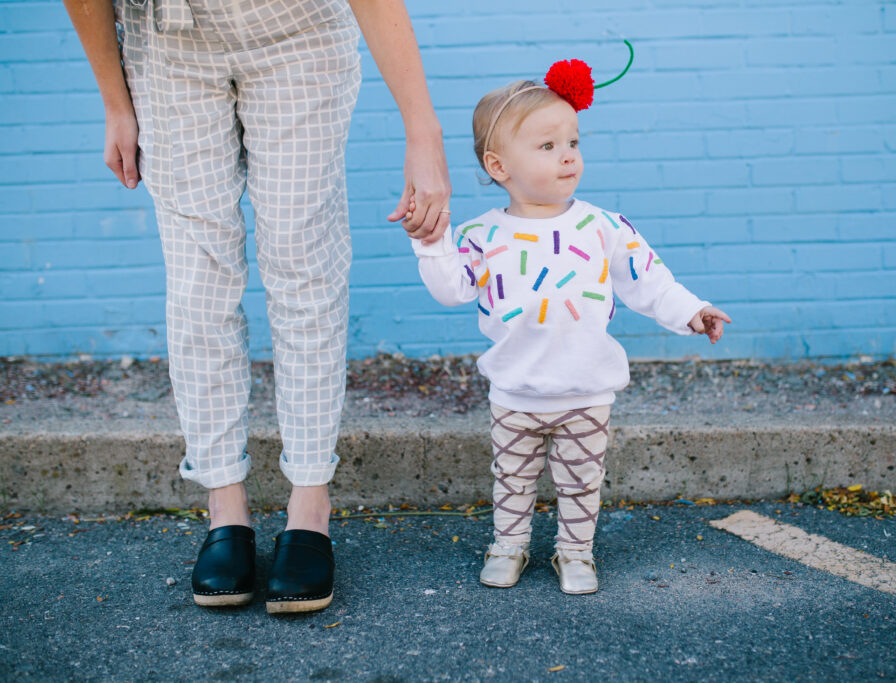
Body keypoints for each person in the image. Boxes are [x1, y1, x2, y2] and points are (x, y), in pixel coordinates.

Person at [62, 0, 451, 613]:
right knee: (197, 281)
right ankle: (226, 509)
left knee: (304, 265)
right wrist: (115, 100)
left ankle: (310, 508)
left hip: (295, 33)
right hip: (166, 43)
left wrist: (422, 131)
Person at [409, 68, 731, 594]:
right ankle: (509, 545)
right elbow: (451, 288)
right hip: (515, 390)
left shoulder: (603, 226)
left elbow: (649, 280)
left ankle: (575, 553)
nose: (568, 155)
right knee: (511, 478)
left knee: (581, 481)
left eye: (573, 142)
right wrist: (431, 241)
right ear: (498, 165)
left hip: (587, 389)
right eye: (548, 145)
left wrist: (691, 310)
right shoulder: (479, 236)